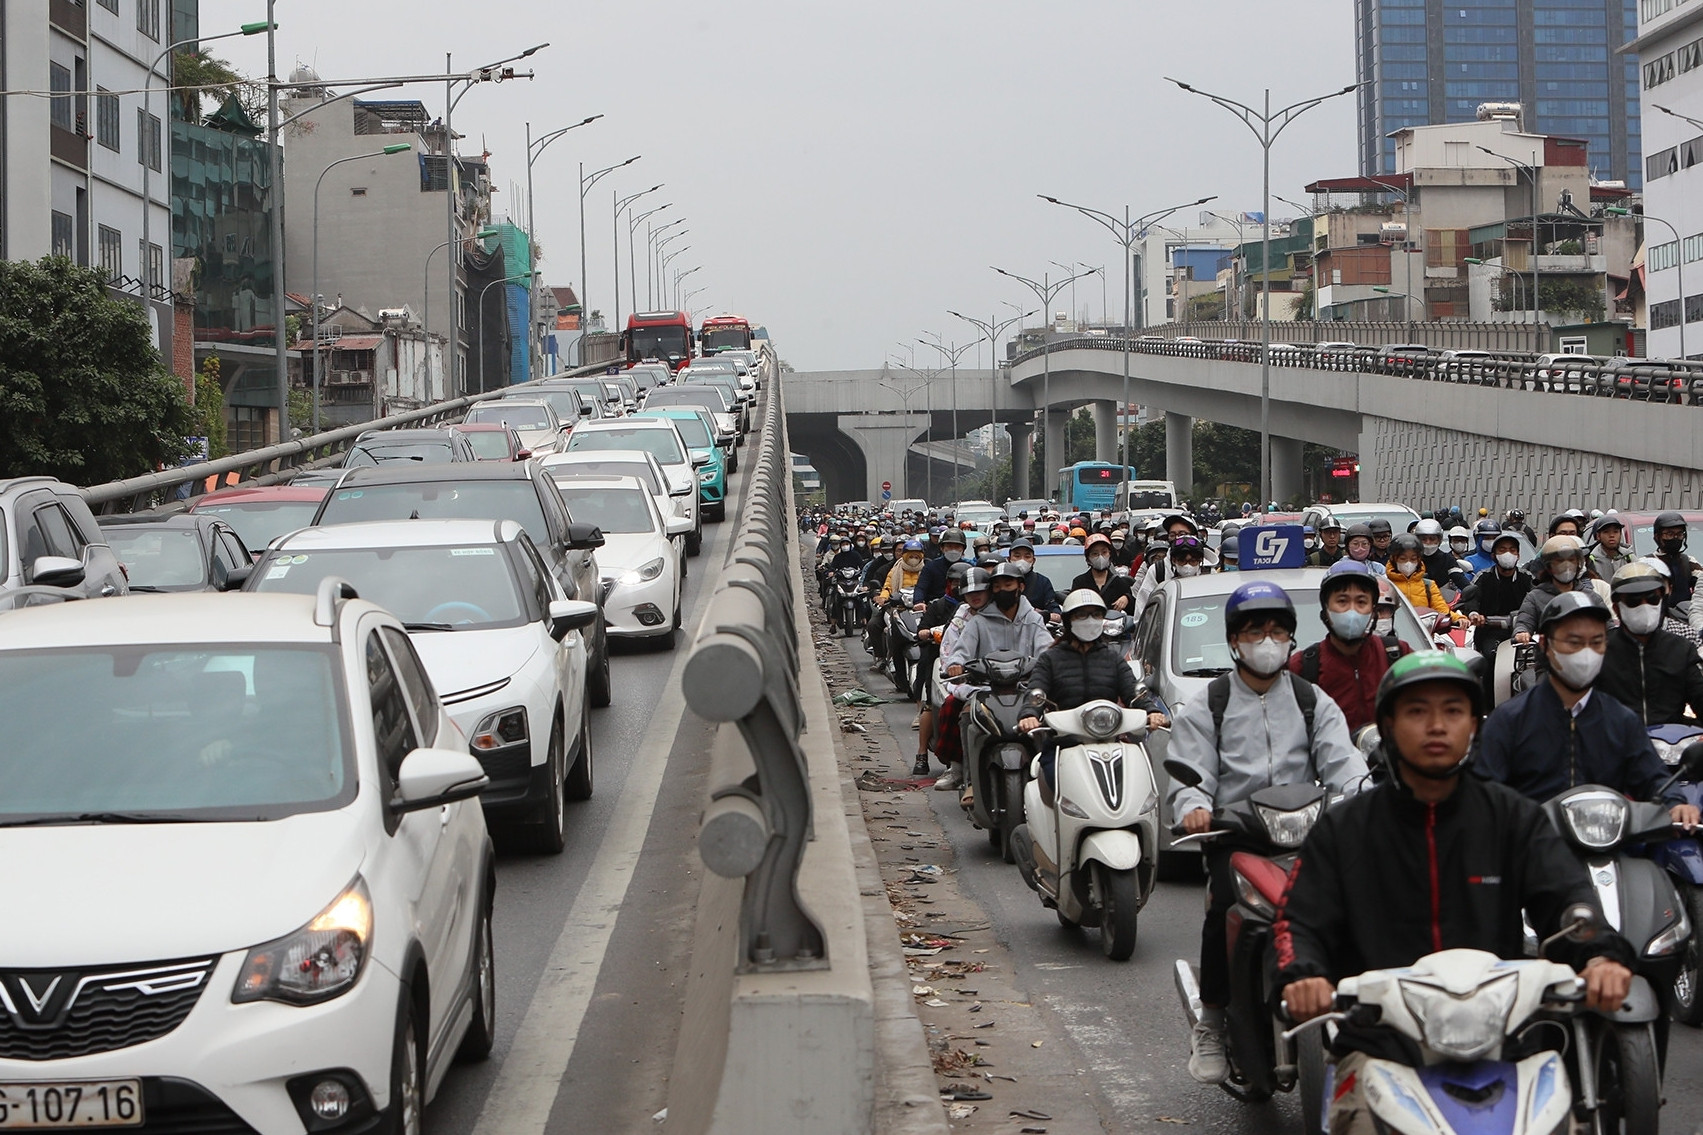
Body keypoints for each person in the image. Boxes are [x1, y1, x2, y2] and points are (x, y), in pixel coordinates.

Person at [1274, 652, 1637, 1132]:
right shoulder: (1344, 828)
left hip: (1506, 1046)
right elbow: (1297, 921)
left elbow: (1569, 901)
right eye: (1417, 711)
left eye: (1453, 710)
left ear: (1474, 724)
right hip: (1382, 1049)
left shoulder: (1513, 817)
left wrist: (1599, 957)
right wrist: (1304, 977)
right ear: (1387, 725)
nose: (1437, 726)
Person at [1167, 581, 1369, 1084]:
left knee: (1356, 907)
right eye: (1255, 631)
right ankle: (1212, 1020)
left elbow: (1343, 762)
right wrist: (1194, 807)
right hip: (1236, 836)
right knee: (1221, 913)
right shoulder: (1206, 704)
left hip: (1309, 835)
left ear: (1291, 639)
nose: (1267, 640)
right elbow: (1191, 773)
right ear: (1234, 642)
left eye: (1277, 631)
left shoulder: (1311, 700)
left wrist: (1363, 797)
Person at [1479, 591, 1699, 829]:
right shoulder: (1509, 720)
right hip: (1531, 849)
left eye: (1596, 642)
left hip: (1610, 842)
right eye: (1574, 642)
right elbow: (1484, 795)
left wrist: (1676, 803)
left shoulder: (1621, 719)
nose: (1586, 653)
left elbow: (1652, 777)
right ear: (1545, 645)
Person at [1015, 589, 1169, 803]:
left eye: (1096, 615)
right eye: (1081, 615)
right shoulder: (1050, 659)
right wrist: (1029, 714)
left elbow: (1134, 692)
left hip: (1110, 741)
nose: (1090, 621)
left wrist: (1151, 711)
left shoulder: (1112, 659)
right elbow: (1035, 692)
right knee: (1057, 783)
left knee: (1139, 779)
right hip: (1064, 744)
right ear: (1068, 621)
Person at [944, 564, 1053, 807]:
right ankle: (970, 779)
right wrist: (956, 665)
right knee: (966, 716)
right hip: (986, 691)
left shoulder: (1033, 619)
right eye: (997, 586)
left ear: (1020, 587)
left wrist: (1047, 666)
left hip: (1025, 691)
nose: (1002, 590)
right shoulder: (978, 622)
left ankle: (1048, 778)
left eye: (1008, 585)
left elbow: (1047, 651)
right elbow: (960, 652)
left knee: (1049, 719)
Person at [1288, 561, 1404, 733]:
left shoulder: (1398, 655)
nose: (1352, 611)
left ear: (1373, 610)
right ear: (1326, 610)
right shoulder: (1301, 666)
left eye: (1361, 602)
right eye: (1342, 601)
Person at [1597, 561, 1703, 725]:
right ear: (1617, 608)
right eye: (1634, 601)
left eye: (1652, 599)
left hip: (1672, 742)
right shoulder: (1598, 651)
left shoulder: (1681, 649)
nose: (1644, 606)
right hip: (1614, 743)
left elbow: (1699, 695)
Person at [930, 568, 993, 792]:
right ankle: (958, 769)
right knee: (952, 709)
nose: (975, 596)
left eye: (980, 591)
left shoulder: (1006, 615)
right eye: (969, 592)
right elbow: (949, 653)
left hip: (1005, 682)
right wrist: (957, 671)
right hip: (970, 683)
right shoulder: (960, 620)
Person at [1456, 530, 1533, 702]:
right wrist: (1475, 614)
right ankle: (1490, 704)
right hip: (1490, 632)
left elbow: (1538, 599)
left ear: (1518, 555)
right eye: (1502, 550)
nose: (1508, 554)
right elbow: (1470, 597)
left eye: (1512, 550)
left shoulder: (1527, 578)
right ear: (1493, 555)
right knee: (1492, 658)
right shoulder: (1484, 577)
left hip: (1524, 631)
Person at [913, 563, 972, 776]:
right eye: (954, 583)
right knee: (932, 705)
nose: (959, 588)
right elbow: (922, 630)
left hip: (974, 668)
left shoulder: (981, 611)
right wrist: (928, 634)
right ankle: (922, 753)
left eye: (962, 584)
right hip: (941, 662)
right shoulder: (939, 607)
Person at [1513, 535, 1605, 643]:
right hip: (1549, 656)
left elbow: (1608, 626)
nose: (1567, 566)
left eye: (1571, 560)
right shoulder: (1534, 597)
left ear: (1579, 564)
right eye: (1560, 561)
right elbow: (1524, 622)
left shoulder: (1592, 597)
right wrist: (1521, 632)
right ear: (1548, 566)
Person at [1383, 533, 1456, 630]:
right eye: (1403, 559)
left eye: (1413, 559)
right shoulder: (1384, 584)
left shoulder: (1428, 585)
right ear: (1393, 559)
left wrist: (1459, 619)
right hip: (1394, 633)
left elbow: (1443, 611)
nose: (1408, 563)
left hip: (1423, 635)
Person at [1071, 533, 1135, 611]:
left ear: (1110, 555)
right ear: (1088, 559)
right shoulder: (1079, 583)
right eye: (1095, 554)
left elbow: (1132, 612)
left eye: (1104, 552)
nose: (1100, 557)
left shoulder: (1119, 582)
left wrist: (1127, 598)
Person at [1652, 510, 1702, 609]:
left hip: (1686, 616)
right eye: (1670, 534)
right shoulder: (1647, 562)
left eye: (1679, 534)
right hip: (1658, 616)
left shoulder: (1688, 561)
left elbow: (1701, 581)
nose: (1675, 538)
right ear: (1657, 536)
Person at [1005, 538, 1061, 620]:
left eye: (1027, 556)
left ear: (1033, 560)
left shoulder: (1042, 582)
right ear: (1009, 559)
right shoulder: (1001, 581)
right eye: (1017, 556)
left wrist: (1044, 615)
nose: (1022, 560)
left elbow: (1054, 611)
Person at [915, 527, 966, 604]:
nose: (953, 550)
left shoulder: (968, 568)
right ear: (942, 548)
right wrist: (918, 602)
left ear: (963, 550)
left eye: (957, 547)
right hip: (935, 609)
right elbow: (921, 587)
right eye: (949, 546)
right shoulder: (931, 567)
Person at [1586, 514, 1634, 583]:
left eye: (1615, 532)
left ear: (1620, 534)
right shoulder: (1592, 560)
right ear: (1598, 536)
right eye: (1606, 532)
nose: (1612, 535)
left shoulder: (1629, 556)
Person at [1413, 519, 1457, 585]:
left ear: (1439, 540)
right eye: (1423, 539)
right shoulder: (1412, 559)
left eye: (1432, 539)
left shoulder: (1447, 559)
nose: (1428, 542)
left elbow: (1459, 578)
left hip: (1442, 594)